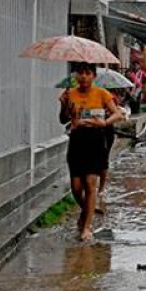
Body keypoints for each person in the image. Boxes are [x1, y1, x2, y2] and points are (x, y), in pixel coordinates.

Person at [59, 62, 124, 241]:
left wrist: (104, 122)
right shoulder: (69, 94)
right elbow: (62, 119)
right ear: (76, 76)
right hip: (77, 140)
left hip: (96, 139)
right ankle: (86, 210)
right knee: (76, 187)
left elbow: (117, 114)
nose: (84, 77)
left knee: (90, 182)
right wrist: (64, 105)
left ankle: (86, 227)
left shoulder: (102, 93)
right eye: (81, 73)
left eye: (88, 73)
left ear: (93, 76)